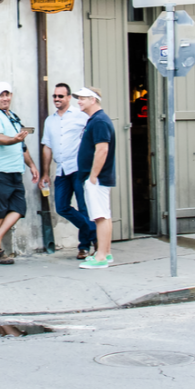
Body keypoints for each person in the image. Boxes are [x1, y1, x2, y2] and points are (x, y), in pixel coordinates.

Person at [0, 82, 39, 266]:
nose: (5, 98)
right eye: (1, 95)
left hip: (15, 171)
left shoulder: (13, 117)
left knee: (19, 208)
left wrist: (31, 165)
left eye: (7, 95)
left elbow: (22, 146)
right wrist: (14, 138)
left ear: (11, 96)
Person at [41, 83, 96, 260]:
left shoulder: (81, 116)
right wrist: (45, 173)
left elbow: (93, 136)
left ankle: (84, 246)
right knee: (61, 207)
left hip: (78, 169)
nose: (56, 99)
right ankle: (93, 230)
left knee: (84, 207)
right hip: (61, 170)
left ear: (68, 97)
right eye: (54, 96)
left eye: (60, 96)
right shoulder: (50, 121)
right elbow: (47, 147)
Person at [72, 87, 117, 270]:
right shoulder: (96, 120)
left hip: (97, 179)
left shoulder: (99, 121)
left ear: (93, 100)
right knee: (103, 216)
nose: (79, 101)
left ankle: (100, 257)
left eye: (82, 98)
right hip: (97, 178)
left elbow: (102, 149)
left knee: (100, 216)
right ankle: (105, 253)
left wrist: (92, 176)